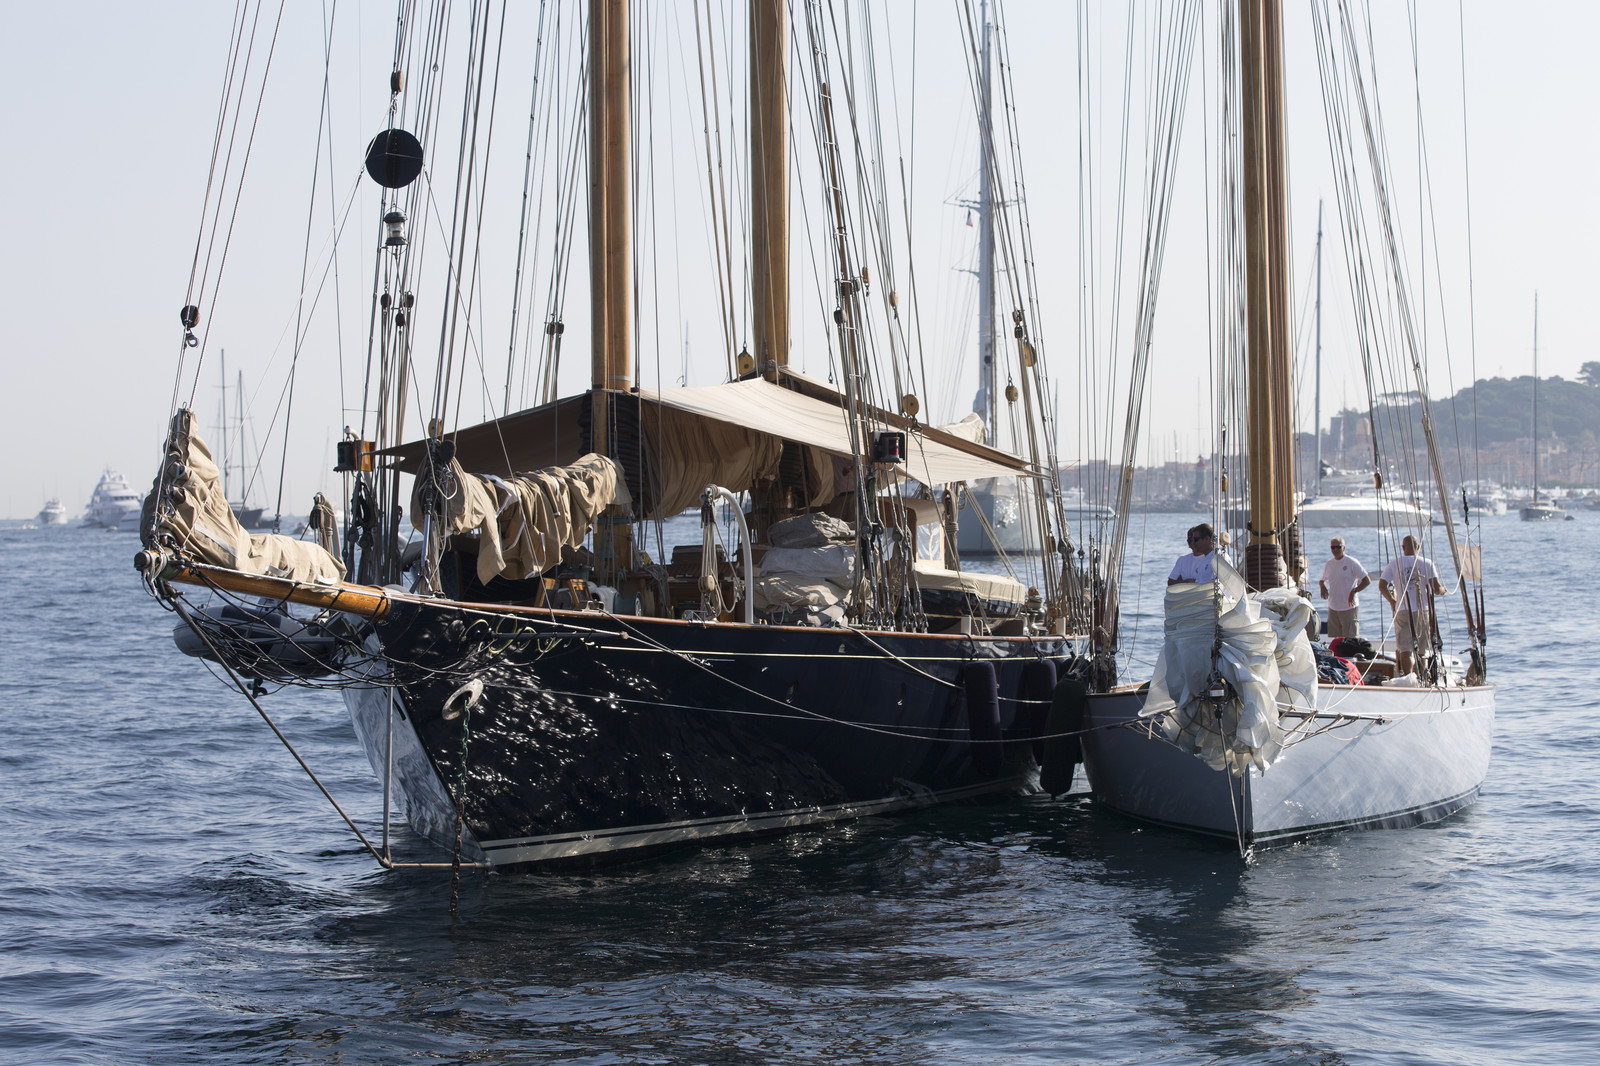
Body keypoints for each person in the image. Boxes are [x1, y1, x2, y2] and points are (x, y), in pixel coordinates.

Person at [1378, 534, 1446, 676]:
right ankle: (1421, 677)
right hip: (1422, 610)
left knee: (1405, 648)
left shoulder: (1394, 563)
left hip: (1403, 609)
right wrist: (1443, 590)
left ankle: (1408, 676)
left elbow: (1382, 585)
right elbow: (1436, 588)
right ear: (1418, 547)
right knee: (1422, 648)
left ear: (1403, 548)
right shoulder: (1427, 563)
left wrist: (1392, 601)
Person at [1318, 537, 1371, 640]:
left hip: (1349, 607)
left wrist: (1354, 591)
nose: (1335, 550)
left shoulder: (1351, 562)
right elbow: (1322, 580)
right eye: (1333, 547)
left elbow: (1366, 580)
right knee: (1337, 640)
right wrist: (1322, 587)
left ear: (1344, 548)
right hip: (1333, 608)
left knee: (1350, 639)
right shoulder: (1329, 564)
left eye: (1338, 547)